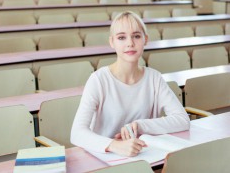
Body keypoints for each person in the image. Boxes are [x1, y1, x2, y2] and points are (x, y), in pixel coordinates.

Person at [71, 11, 190, 157]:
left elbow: (182, 120)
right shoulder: (98, 80)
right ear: (112, 42)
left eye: (136, 36)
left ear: (145, 40)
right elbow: (77, 133)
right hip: (105, 157)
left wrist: (140, 126)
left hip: (144, 155)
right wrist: (114, 145)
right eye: (121, 37)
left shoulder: (154, 78)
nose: (130, 43)